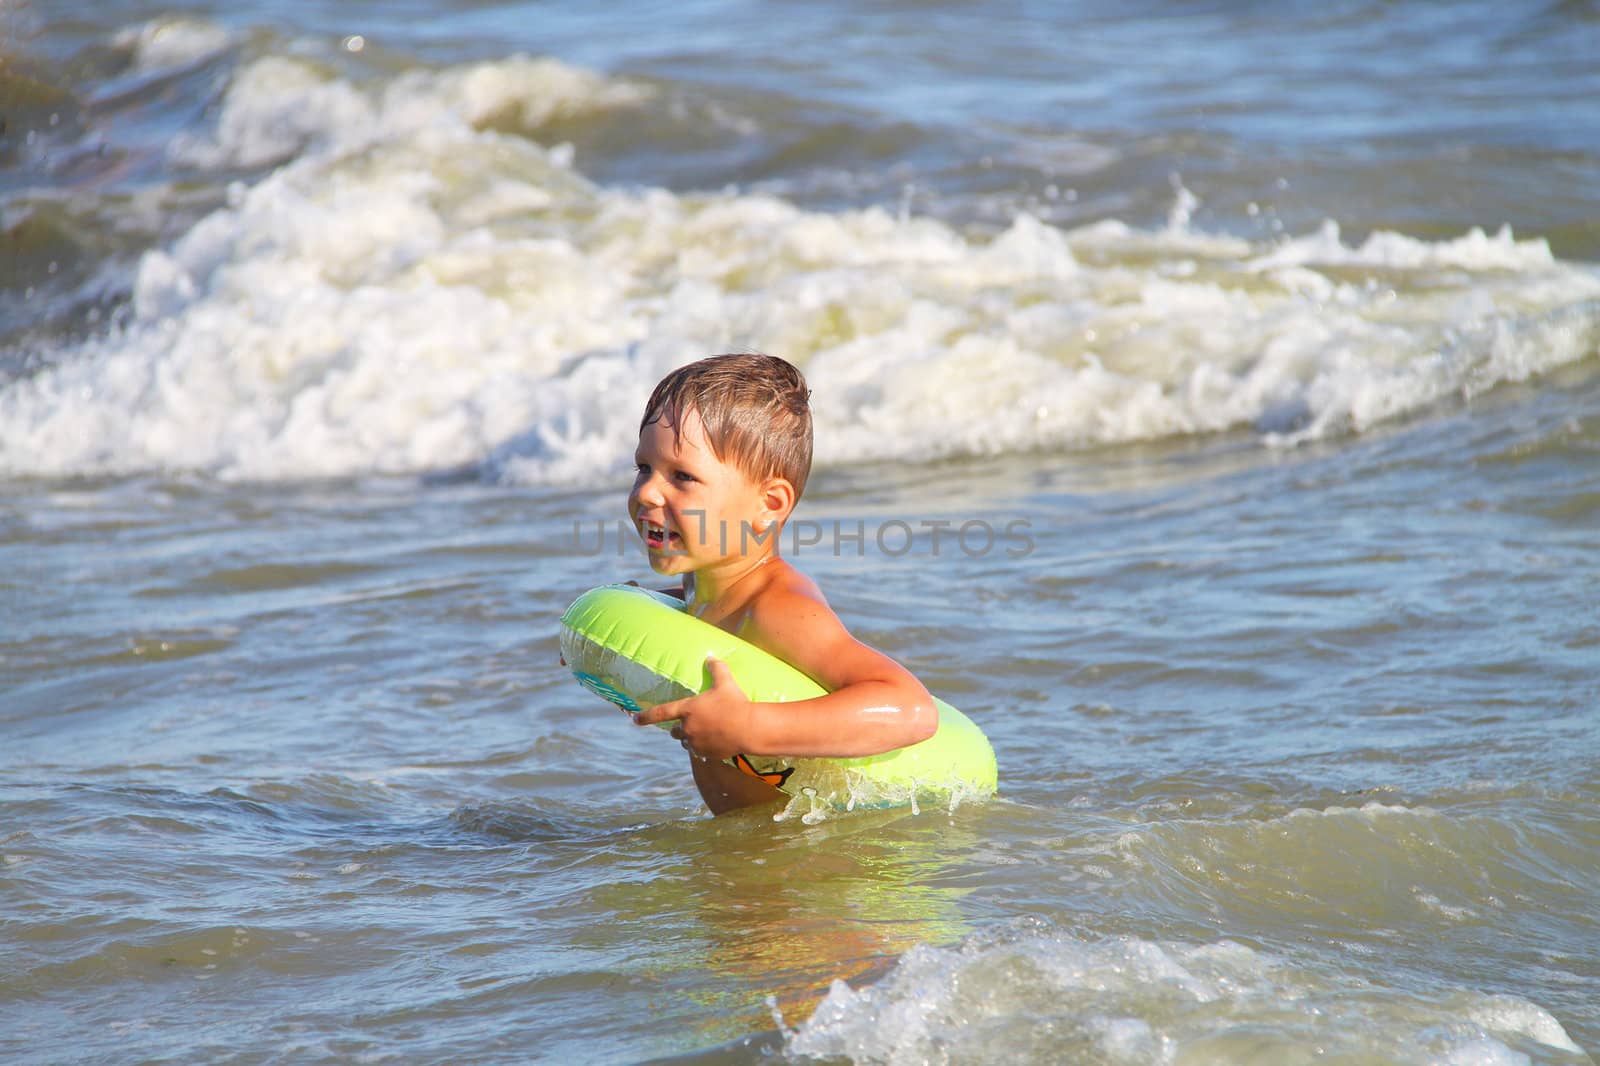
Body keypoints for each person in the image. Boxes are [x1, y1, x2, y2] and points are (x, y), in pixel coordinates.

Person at [625, 352, 937, 814]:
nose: (648, 491)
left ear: (769, 504)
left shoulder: (778, 610)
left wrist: (750, 726)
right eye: (643, 468)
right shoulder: (702, 590)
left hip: (814, 862)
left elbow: (911, 708)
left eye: (682, 476)